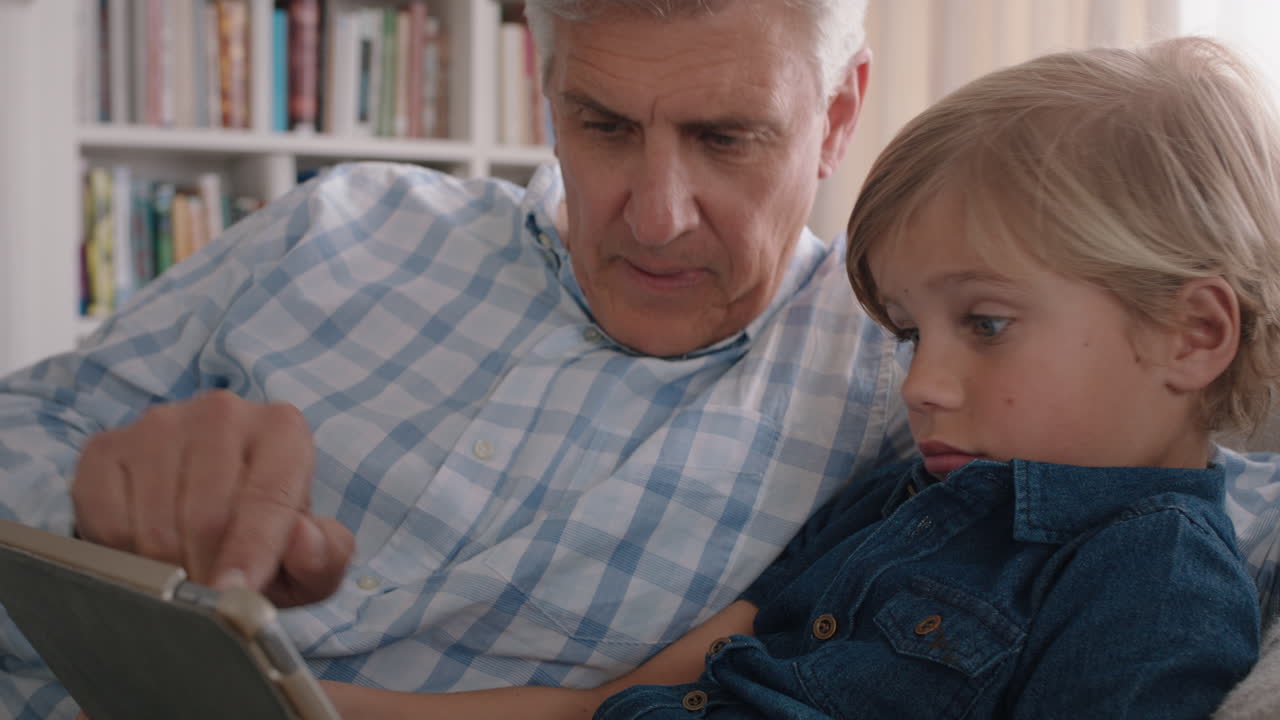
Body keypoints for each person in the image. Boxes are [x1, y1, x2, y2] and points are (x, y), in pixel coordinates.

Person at [0, 0, 1272, 715]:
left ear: (834, 115)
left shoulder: (908, 385)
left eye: (726, 137)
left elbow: (1196, 467)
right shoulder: (337, 224)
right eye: (600, 124)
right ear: (540, 86)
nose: (655, 213)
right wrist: (93, 501)